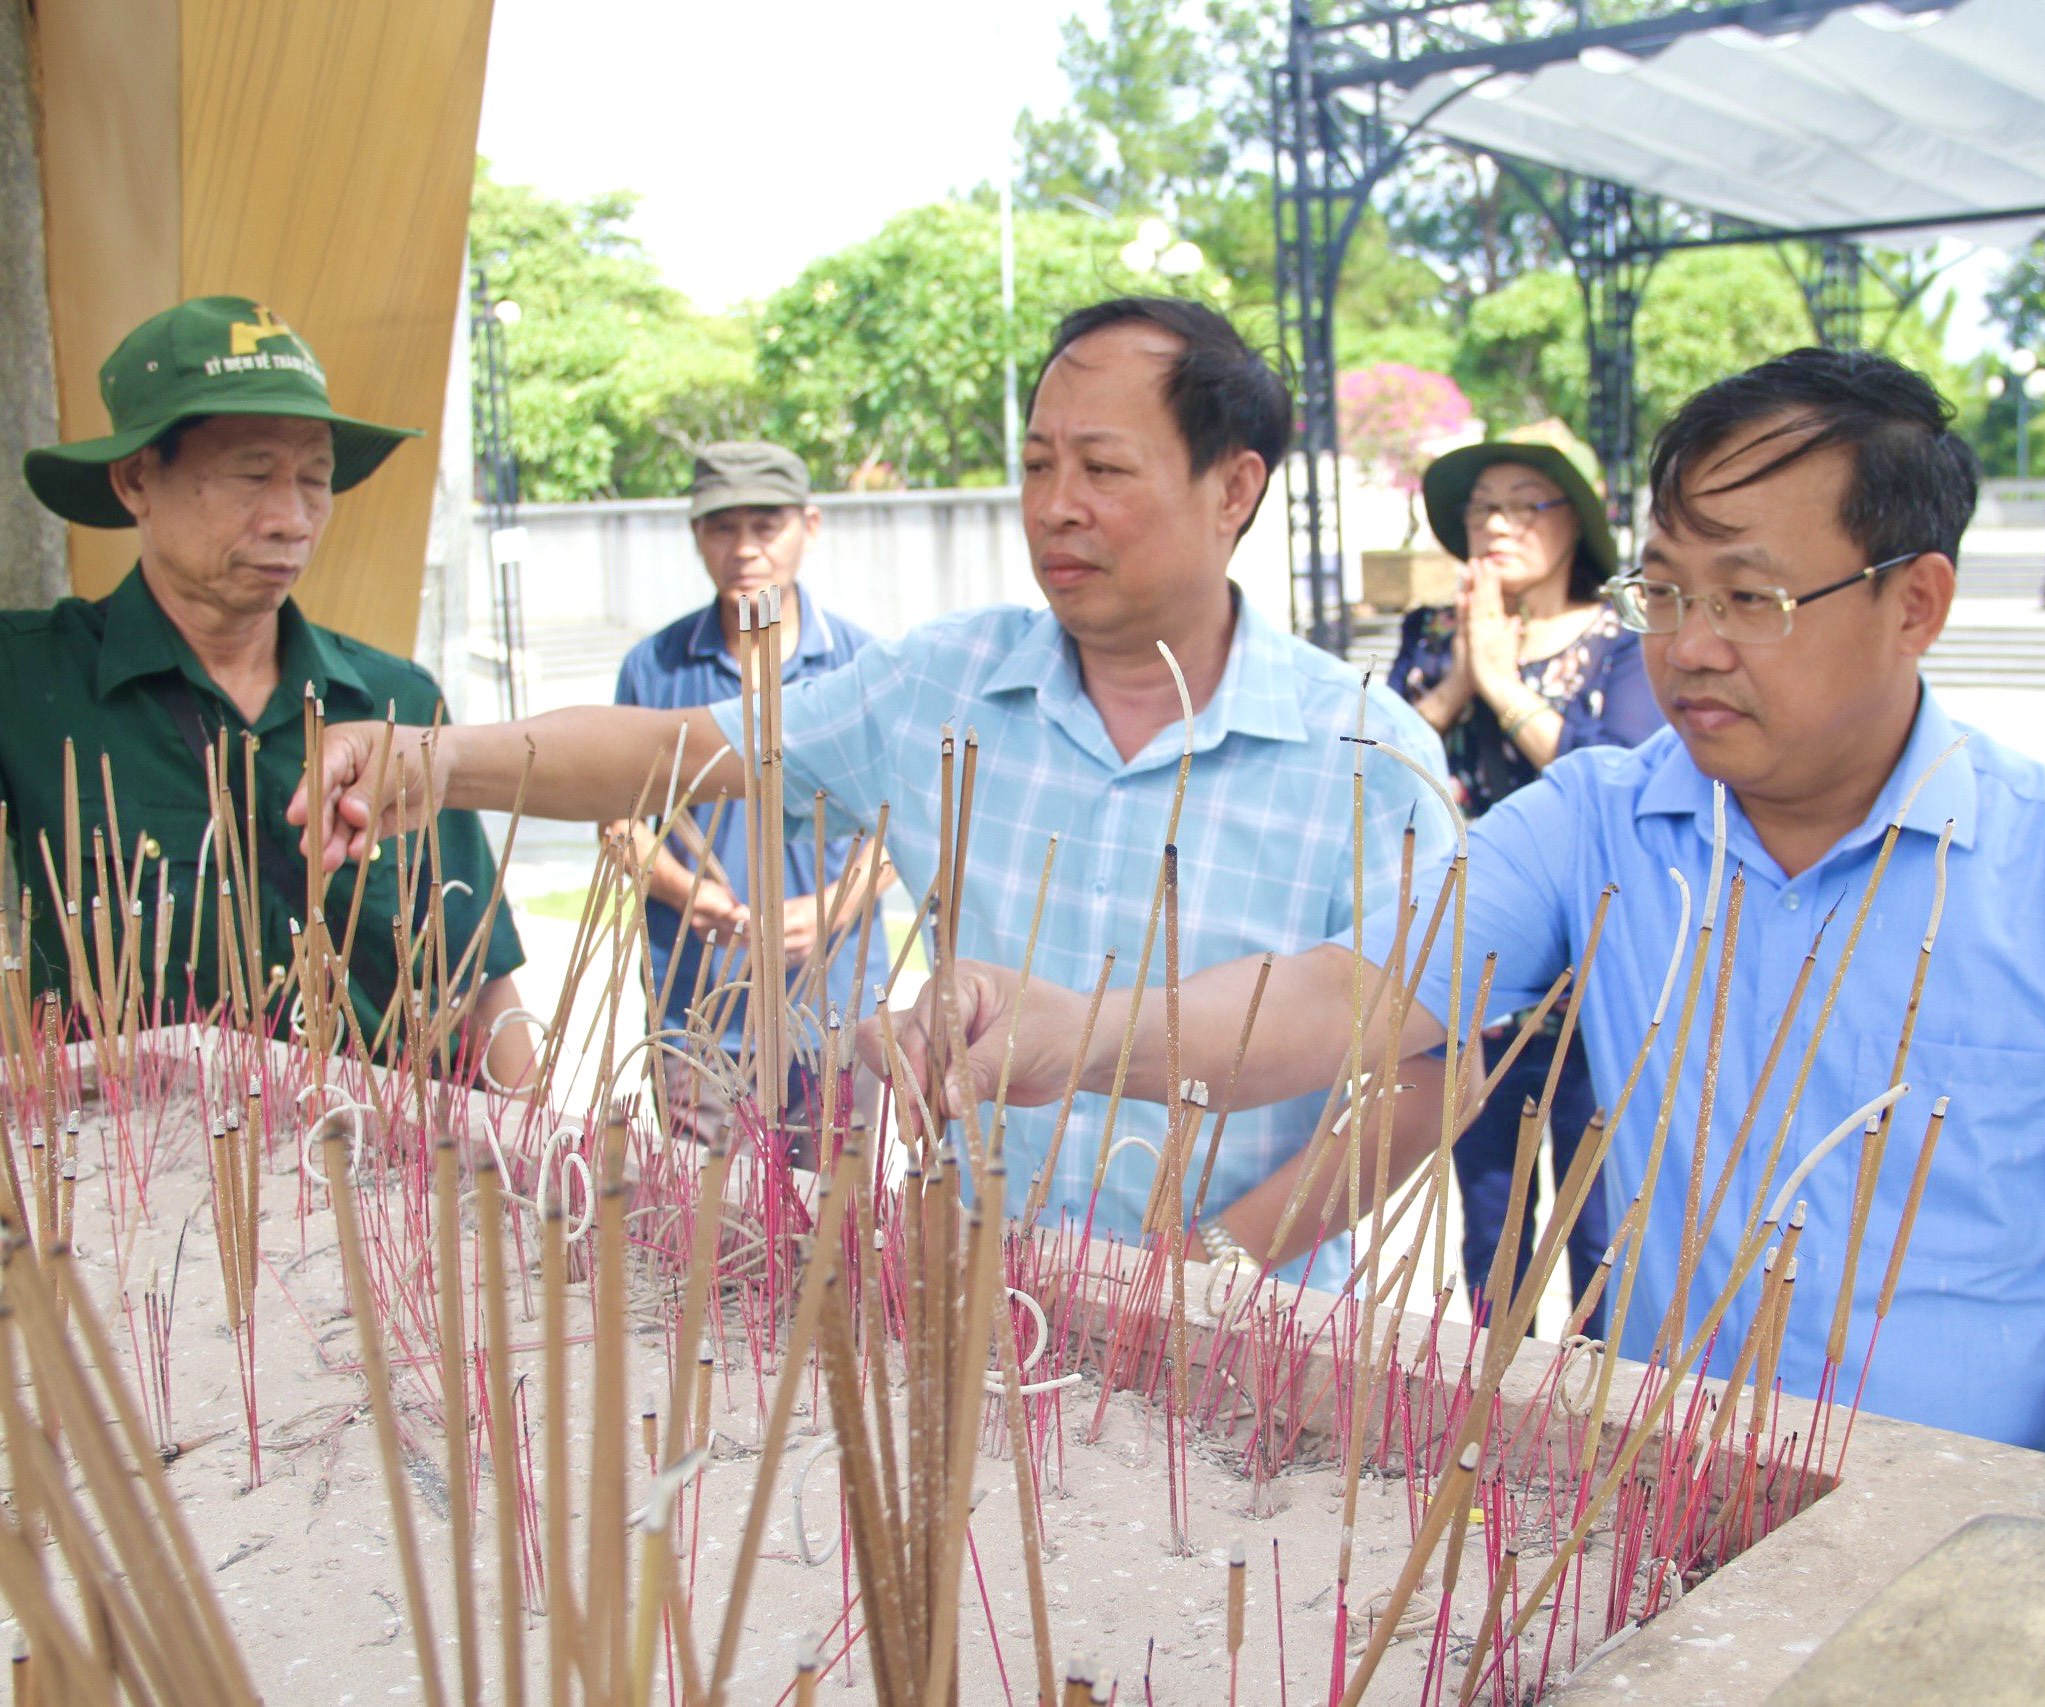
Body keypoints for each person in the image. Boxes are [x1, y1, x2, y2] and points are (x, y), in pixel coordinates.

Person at [882, 348, 2045, 1534]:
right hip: (1665, 1500)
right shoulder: (1603, 823)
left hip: (1951, 1525)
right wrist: (1072, 1031)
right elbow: (1341, 996)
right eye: (1665, 592)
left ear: (1912, 601)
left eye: (1747, 597)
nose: (1685, 645)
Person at [292, 297, 1450, 1273]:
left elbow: (1436, 1066)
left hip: (1247, 1327)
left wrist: (1223, 1258)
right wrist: (439, 763)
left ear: (1233, 488)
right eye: (1039, 464)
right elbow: (671, 750)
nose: (1056, 504)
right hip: (971, 1284)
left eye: (1103, 467)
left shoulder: (1365, 755)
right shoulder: (941, 685)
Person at [2, 296, 528, 1075]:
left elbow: (483, 986)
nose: (291, 518)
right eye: (252, 475)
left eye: (315, 480)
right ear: (136, 479)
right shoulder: (30, 681)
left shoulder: (396, 702)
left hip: (377, 1176)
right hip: (141, 1175)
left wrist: (541, 1167)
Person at [1392, 433, 1662, 1325]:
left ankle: (1591, 1421)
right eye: (1483, 508)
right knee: (1489, 1218)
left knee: (1596, 1225)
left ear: (1572, 523)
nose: (1499, 523)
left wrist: (1506, 688)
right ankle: (1487, 1414)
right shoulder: (1430, 634)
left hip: (1595, 966)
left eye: (1524, 503)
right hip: (1473, 969)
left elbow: (1620, 780)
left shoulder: (1623, 640)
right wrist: (1458, 684)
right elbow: (1386, 763)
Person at [612, 442, 892, 1148]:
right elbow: (620, 823)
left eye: (765, 525)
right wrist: (680, 888)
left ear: (810, 524)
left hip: (833, 1014)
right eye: (721, 526)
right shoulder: (654, 667)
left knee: (836, 1237)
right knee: (705, 1239)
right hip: (697, 1018)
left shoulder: (864, 665)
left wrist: (832, 906)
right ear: (694, 533)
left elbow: (902, 824)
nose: (744, 549)